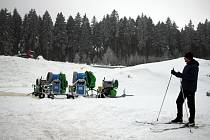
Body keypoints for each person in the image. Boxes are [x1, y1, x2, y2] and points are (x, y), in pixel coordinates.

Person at [171, 52, 199, 127]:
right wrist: (176, 73)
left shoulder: (194, 66)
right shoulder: (188, 65)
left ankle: (191, 121)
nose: (184, 59)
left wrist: (180, 75)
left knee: (191, 105)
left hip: (190, 88)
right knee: (179, 101)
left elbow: (192, 77)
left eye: (185, 58)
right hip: (185, 88)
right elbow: (184, 76)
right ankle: (179, 118)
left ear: (189, 58)